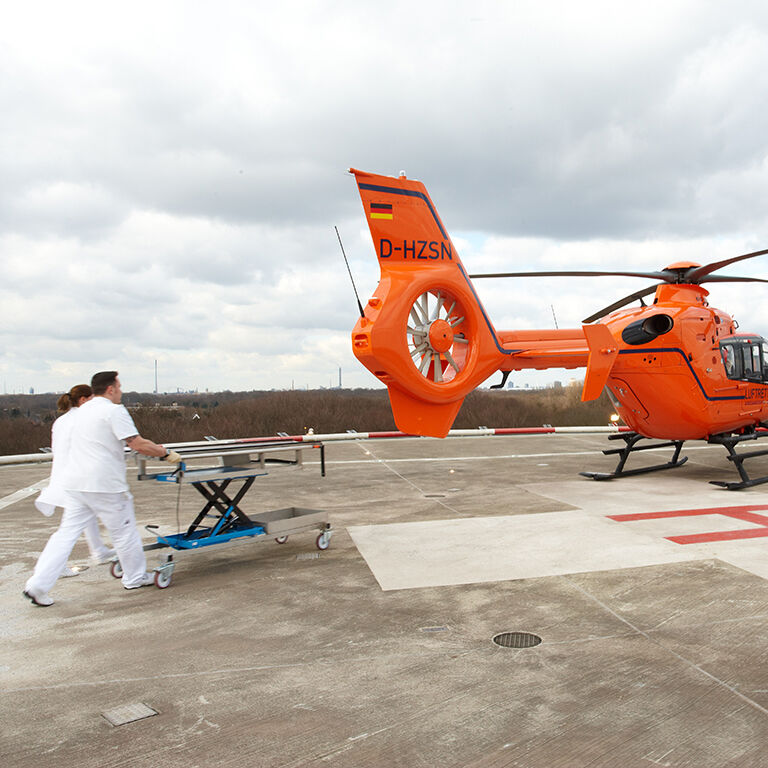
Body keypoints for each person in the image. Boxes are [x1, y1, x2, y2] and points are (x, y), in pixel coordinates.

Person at [23, 371, 181, 607]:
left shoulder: (80, 412)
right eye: (119, 386)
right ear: (110, 389)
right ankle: (135, 577)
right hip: (104, 484)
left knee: (65, 535)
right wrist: (165, 453)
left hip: (76, 484)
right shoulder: (113, 411)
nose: (121, 391)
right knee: (124, 532)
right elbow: (137, 443)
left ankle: (38, 585)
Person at [34, 384, 115, 575]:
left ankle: (98, 550)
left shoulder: (61, 421)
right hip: (79, 477)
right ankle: (53, 569)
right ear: (83, 400)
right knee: (68, 530)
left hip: (66, 475)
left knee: (81, 518)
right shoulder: (82, 419)